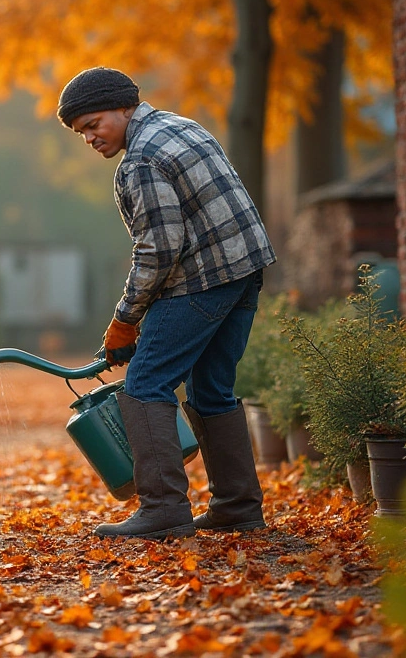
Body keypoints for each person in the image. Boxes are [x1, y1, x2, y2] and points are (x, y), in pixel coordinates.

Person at [56, 67, 277, 539]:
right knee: (211, 388)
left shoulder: (140, 160)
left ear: (123, 106)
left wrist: (125, 321)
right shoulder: (181, 126)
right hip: (244, 272)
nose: (90, 138)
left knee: (144, 386)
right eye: (82, 133)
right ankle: (237, 505)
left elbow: (159, 249)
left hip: (202, 280)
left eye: (94, 124)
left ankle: (162, 510)